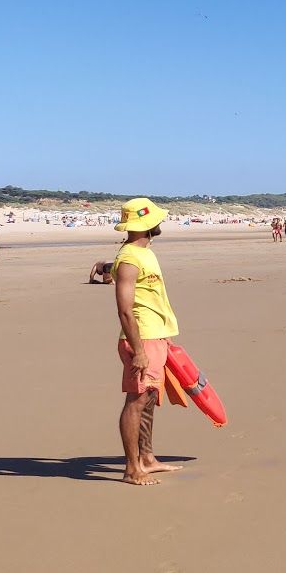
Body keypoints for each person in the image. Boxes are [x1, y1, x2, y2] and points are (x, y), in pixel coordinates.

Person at [112, 198, 183, 486]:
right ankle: (132, 469)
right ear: (146, 224)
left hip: (157, 335)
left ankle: (148, 458)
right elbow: (125, 309)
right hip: (142, 339)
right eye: (156, 219)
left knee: (149, 398)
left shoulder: (144, 253)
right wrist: (139, 350)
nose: (160, 222)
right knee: (136, 400)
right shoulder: (130, 257)